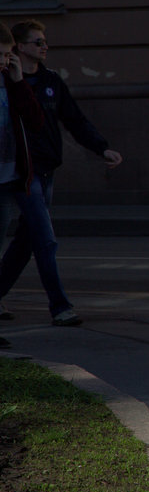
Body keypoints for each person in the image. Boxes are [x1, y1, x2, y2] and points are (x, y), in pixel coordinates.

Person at [0, 20, 123, 327]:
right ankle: (60, 307)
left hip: (42, 169)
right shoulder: (7, 81)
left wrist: (101, 147)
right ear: (20, 47)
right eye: (37, 42)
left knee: (27, 240)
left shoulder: (49, 80)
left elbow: (73, 120)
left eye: (45, 42)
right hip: (19, 173)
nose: (44, 47)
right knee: (44, 238)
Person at [0, 23, 43, 346]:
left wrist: (17, 82)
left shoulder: (9, 81)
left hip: (7, 180)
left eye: (8, 54)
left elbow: (35, 120)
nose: (5, 60)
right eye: (1, 55)